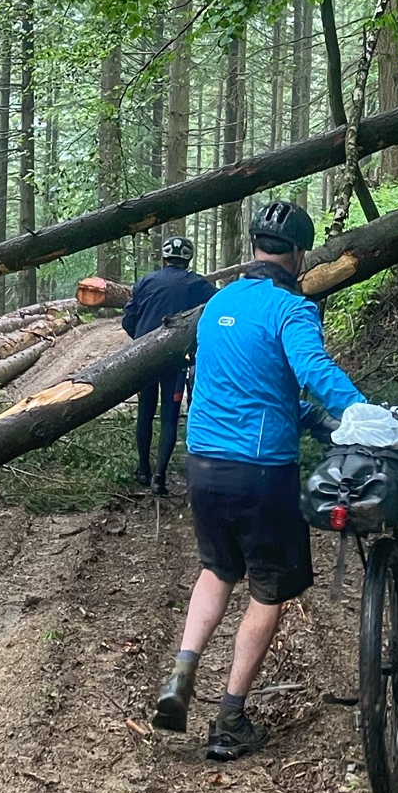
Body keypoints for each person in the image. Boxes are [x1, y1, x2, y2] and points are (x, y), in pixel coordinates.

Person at [151, 200, 366, 761]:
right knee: (268, 590)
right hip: (261, 469)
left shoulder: (218, 303)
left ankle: (181, 675)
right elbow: (313, 371)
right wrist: (363, 415)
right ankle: (230, 718)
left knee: (217, 568)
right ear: (297, 255)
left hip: (203, 465)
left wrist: (308, 416)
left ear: (254, 249)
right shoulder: (290, 309)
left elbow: (249, 382)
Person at [121, 235, 216, 495]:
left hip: (144, 357)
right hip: (175, 360)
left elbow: (128, 320)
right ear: (188, 260)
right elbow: (216, 311)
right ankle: (159, 478)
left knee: (145, 412)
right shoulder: (199, 285)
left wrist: (142, 340)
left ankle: (143, 469)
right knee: (169, 417)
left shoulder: (145, 281)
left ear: (164, 259)